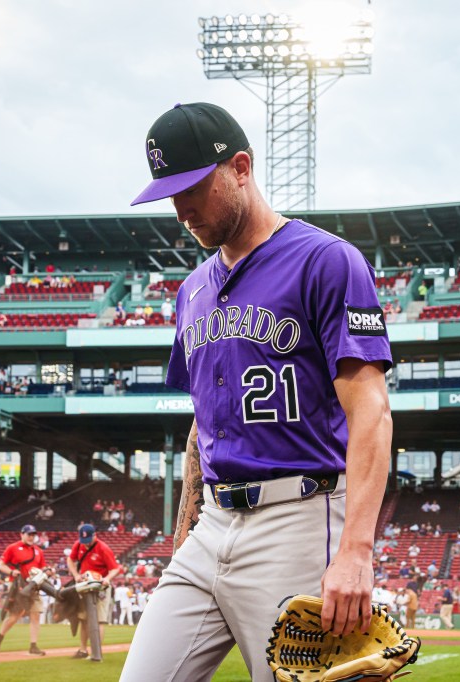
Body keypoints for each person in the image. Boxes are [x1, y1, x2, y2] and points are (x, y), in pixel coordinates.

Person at [120, 102, 392, 682]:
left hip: (298, 517)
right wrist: (186, 531)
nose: (182, 210)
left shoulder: (326, 261)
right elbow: (202, 424)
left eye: (192, 188)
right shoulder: (192, 291)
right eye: (169, 195)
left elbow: (370, 410)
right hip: (213, 524)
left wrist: (356, 551)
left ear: (240, 168)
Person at [0, 524, 49, 656]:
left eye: (33, 535)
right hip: (19, 586)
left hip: (34, 586)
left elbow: (43, 567)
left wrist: (48, 570)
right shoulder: (13, 548)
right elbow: (1, 565)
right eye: (29, 534)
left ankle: (33, 646)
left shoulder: (38, 551)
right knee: (15, 616)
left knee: (35, 615)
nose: (31, 537)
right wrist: (11, 572)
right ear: (22, 534)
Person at [67, 524, 122, 660]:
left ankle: (96, 652)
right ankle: (82, 650)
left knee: (99, 620)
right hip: (85, 586)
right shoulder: (78, 545)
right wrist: (75, 575)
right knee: (84, 619)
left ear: (94, 536)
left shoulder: (103, 548)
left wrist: (107, 579)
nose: (86, 544)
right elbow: (70, 559)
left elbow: (115, 569)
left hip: (101, 587)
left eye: (88, 540)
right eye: (83, 541)